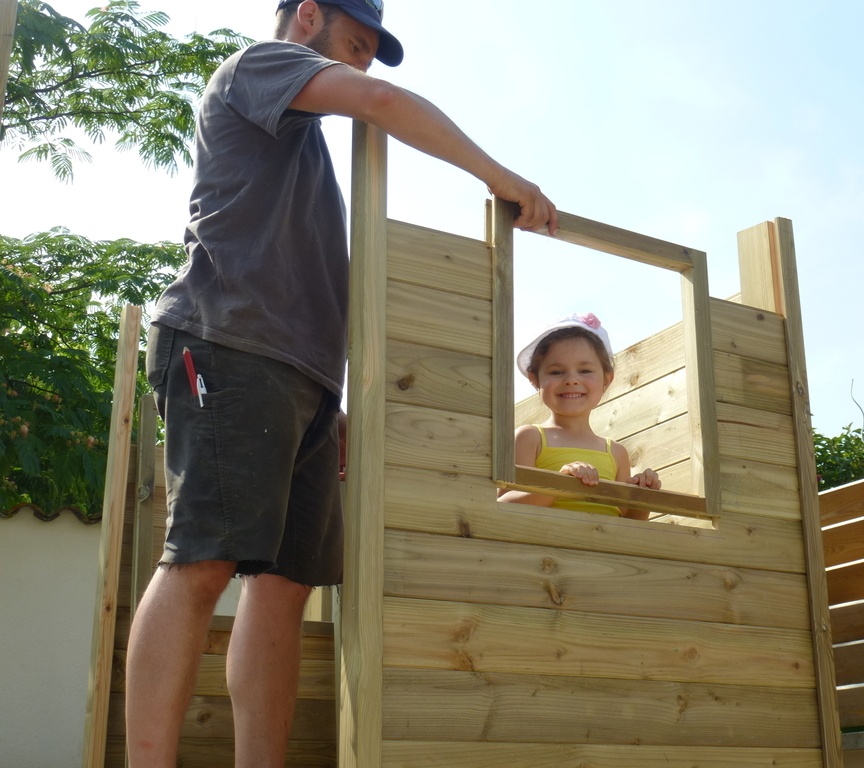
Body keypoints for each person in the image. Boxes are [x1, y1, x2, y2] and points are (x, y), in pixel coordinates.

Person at [125, 2, 557, 766]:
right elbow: (383, 104)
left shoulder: (307, 151)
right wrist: (505, 179)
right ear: (308, 17)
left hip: (307, 380)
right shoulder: (258, 66)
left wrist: (335, 395)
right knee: (200, 562)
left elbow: (316, 274)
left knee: (287, 586)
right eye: (355, 45)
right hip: (228, 342)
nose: (359, 66)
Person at [498, 313, 661, 520]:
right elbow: (502, 505)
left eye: (584, 370)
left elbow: (630, 523)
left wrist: (643, 496)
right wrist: (560, 484)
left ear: (606, 380)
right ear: (535, 379)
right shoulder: (528, 438)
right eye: (557, 372)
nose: (572, 380)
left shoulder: (617, 453)